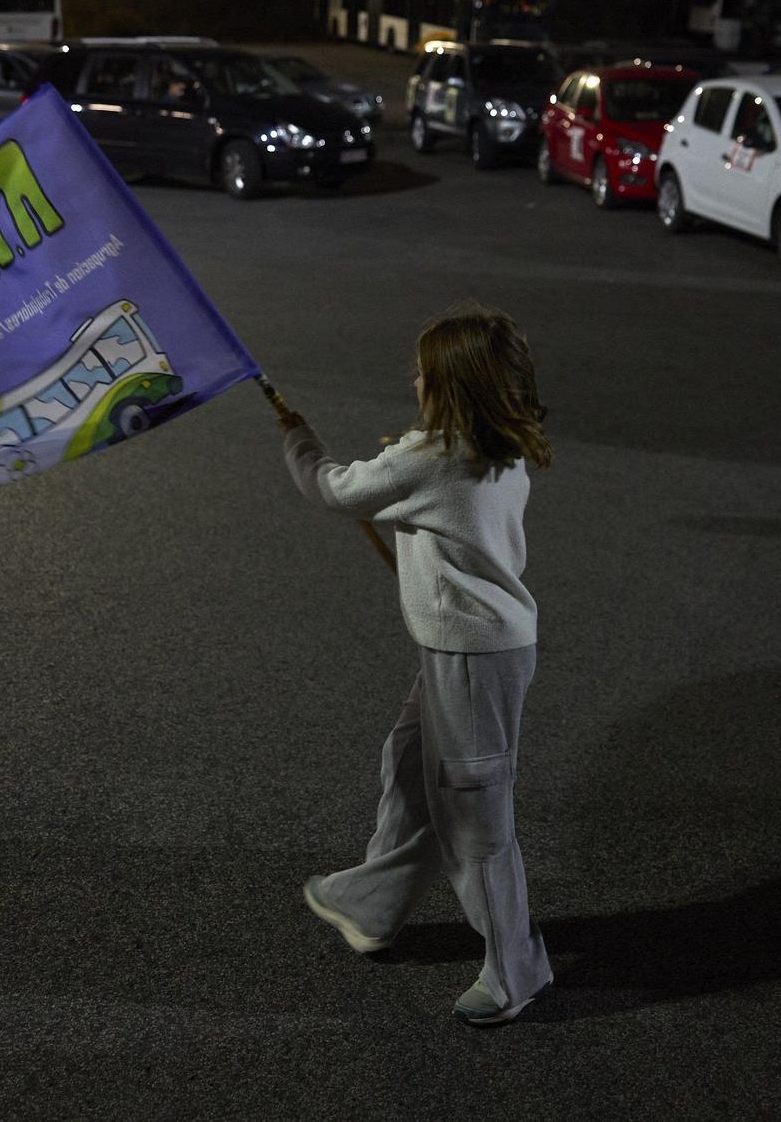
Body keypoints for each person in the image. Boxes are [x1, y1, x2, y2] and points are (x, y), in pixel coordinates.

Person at [278, 302, 555, 1026]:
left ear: (453, 386)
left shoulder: (429, 458)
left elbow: (333, 489)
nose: (414, 381)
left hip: (471, 657)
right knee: (408, 765)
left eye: (425, 372)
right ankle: (372, 903)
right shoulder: (497, 445)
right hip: (473, 649)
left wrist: (298, 438)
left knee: (475, 817)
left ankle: (515, 970)